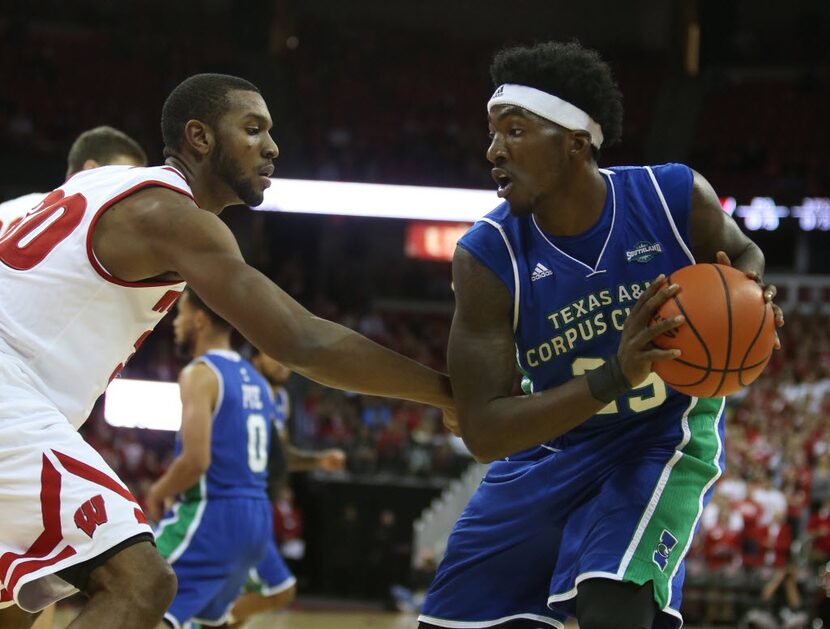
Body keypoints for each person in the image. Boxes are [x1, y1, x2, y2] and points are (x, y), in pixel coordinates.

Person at [0, 73, 454, 629]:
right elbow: (302, 340)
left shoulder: (92, 187)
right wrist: (442, 391)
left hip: (24, 395)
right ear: (200, 137)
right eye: (253, 129)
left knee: (16, 605)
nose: (272, 146)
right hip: (8, 388)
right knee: (142, 583)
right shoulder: (174, 217)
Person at [418, 41, 784, 629]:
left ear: (574, 143)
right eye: (492, 133)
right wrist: (616, 373)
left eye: (514, 131)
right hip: (547, 450)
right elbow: (484, 432)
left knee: (614, 608)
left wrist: (751, 297)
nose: (492, 150)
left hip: (656, 440)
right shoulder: (486, 257)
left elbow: (743, 253)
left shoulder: (671, 199)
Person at [226, 351, 347, 627]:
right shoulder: (241, 391)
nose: (283, 364)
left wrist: (317, 460)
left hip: (261, 507)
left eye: (287, 359)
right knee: (276, 589)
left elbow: (282, 454)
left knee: (242, 591)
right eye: (275, 355)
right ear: (256, 356)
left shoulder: (282, 400)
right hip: (240, 503)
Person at [0, 125, 147, 236]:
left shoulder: (10, 208)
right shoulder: (96, 229)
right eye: (123, 177)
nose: (129, 190)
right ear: (91, 170)